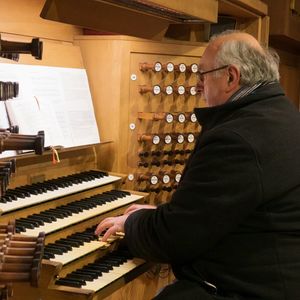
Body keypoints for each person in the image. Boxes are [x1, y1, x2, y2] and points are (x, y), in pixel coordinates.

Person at [95, 30, 300, 299]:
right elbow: (214, 210)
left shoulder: (236, 139)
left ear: (230, 76)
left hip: (249, 288)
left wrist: (132, 223)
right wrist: (168, 213)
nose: (197, 86)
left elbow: (175, 239)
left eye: (202, 75)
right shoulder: (282, 114)